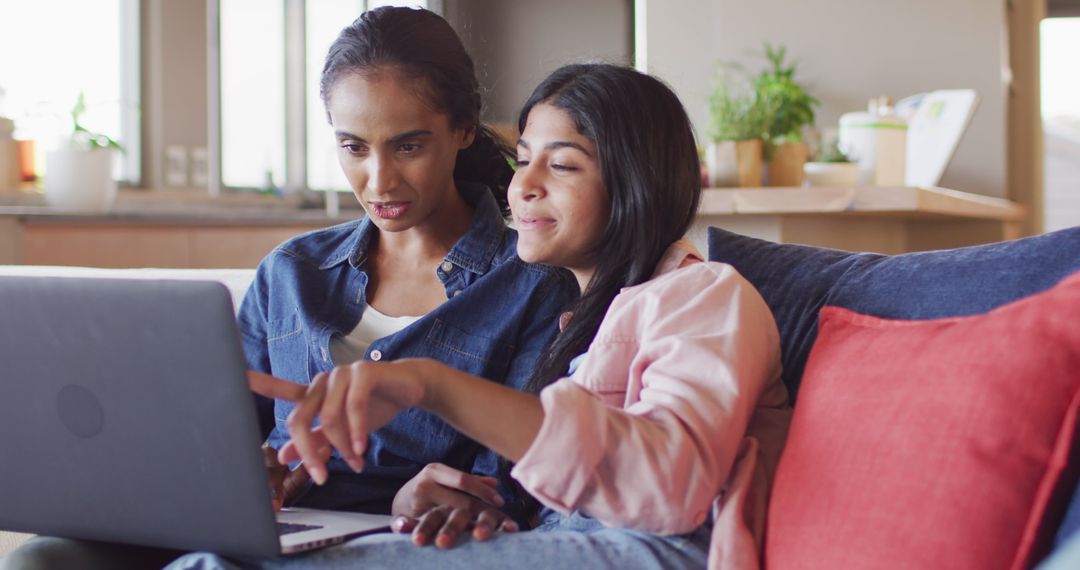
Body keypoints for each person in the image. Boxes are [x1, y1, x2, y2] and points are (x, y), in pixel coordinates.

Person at [0, 7, 574, 570]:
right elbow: (222, 431)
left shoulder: (531, 282)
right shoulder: (291, 272)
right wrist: (250, 473)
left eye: (408, 146)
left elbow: (516, 478)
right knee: (44, 558)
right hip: (273, 525)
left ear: (463, 129)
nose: (379, 181)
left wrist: (424, 501)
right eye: (353, 147)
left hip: (398, 542)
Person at [168, 63, 791, 570]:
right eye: (523, 159)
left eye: (563, 164)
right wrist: (441, 497)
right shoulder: (579, 322)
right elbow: (544, 491)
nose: (523, 185)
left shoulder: (704, 295)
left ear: (638, 184)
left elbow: (668, 488)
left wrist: (430, 384)